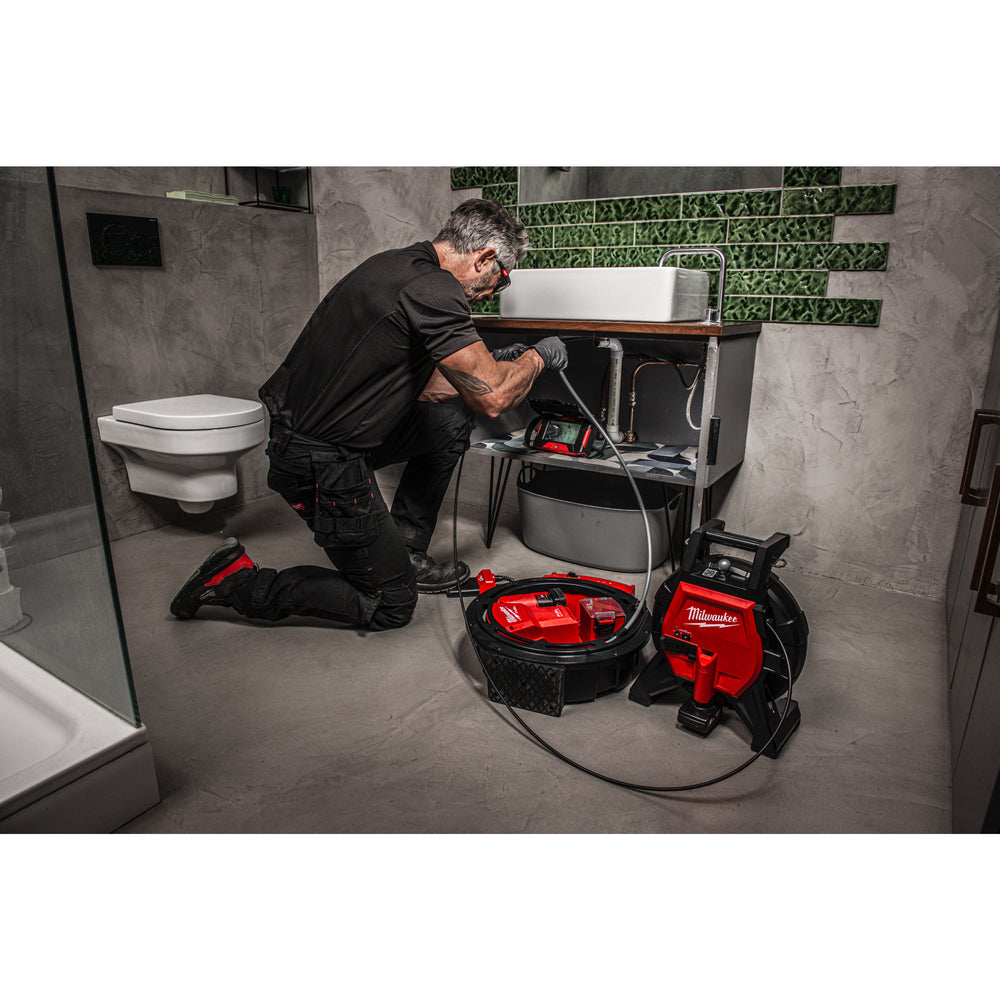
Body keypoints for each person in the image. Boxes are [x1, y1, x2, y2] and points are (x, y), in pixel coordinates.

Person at [169, 198, 567, 631]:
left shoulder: (397, 266)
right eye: (500, 280)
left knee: (450, 422)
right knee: (391, 605)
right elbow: (493, 398)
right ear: (484, 257)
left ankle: (406, 552)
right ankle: (235, 583)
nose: (491, 293)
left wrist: (491, 364)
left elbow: (431, 388)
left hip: (331, 440)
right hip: (320, 462)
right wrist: (537, 358)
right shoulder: (436, 289)